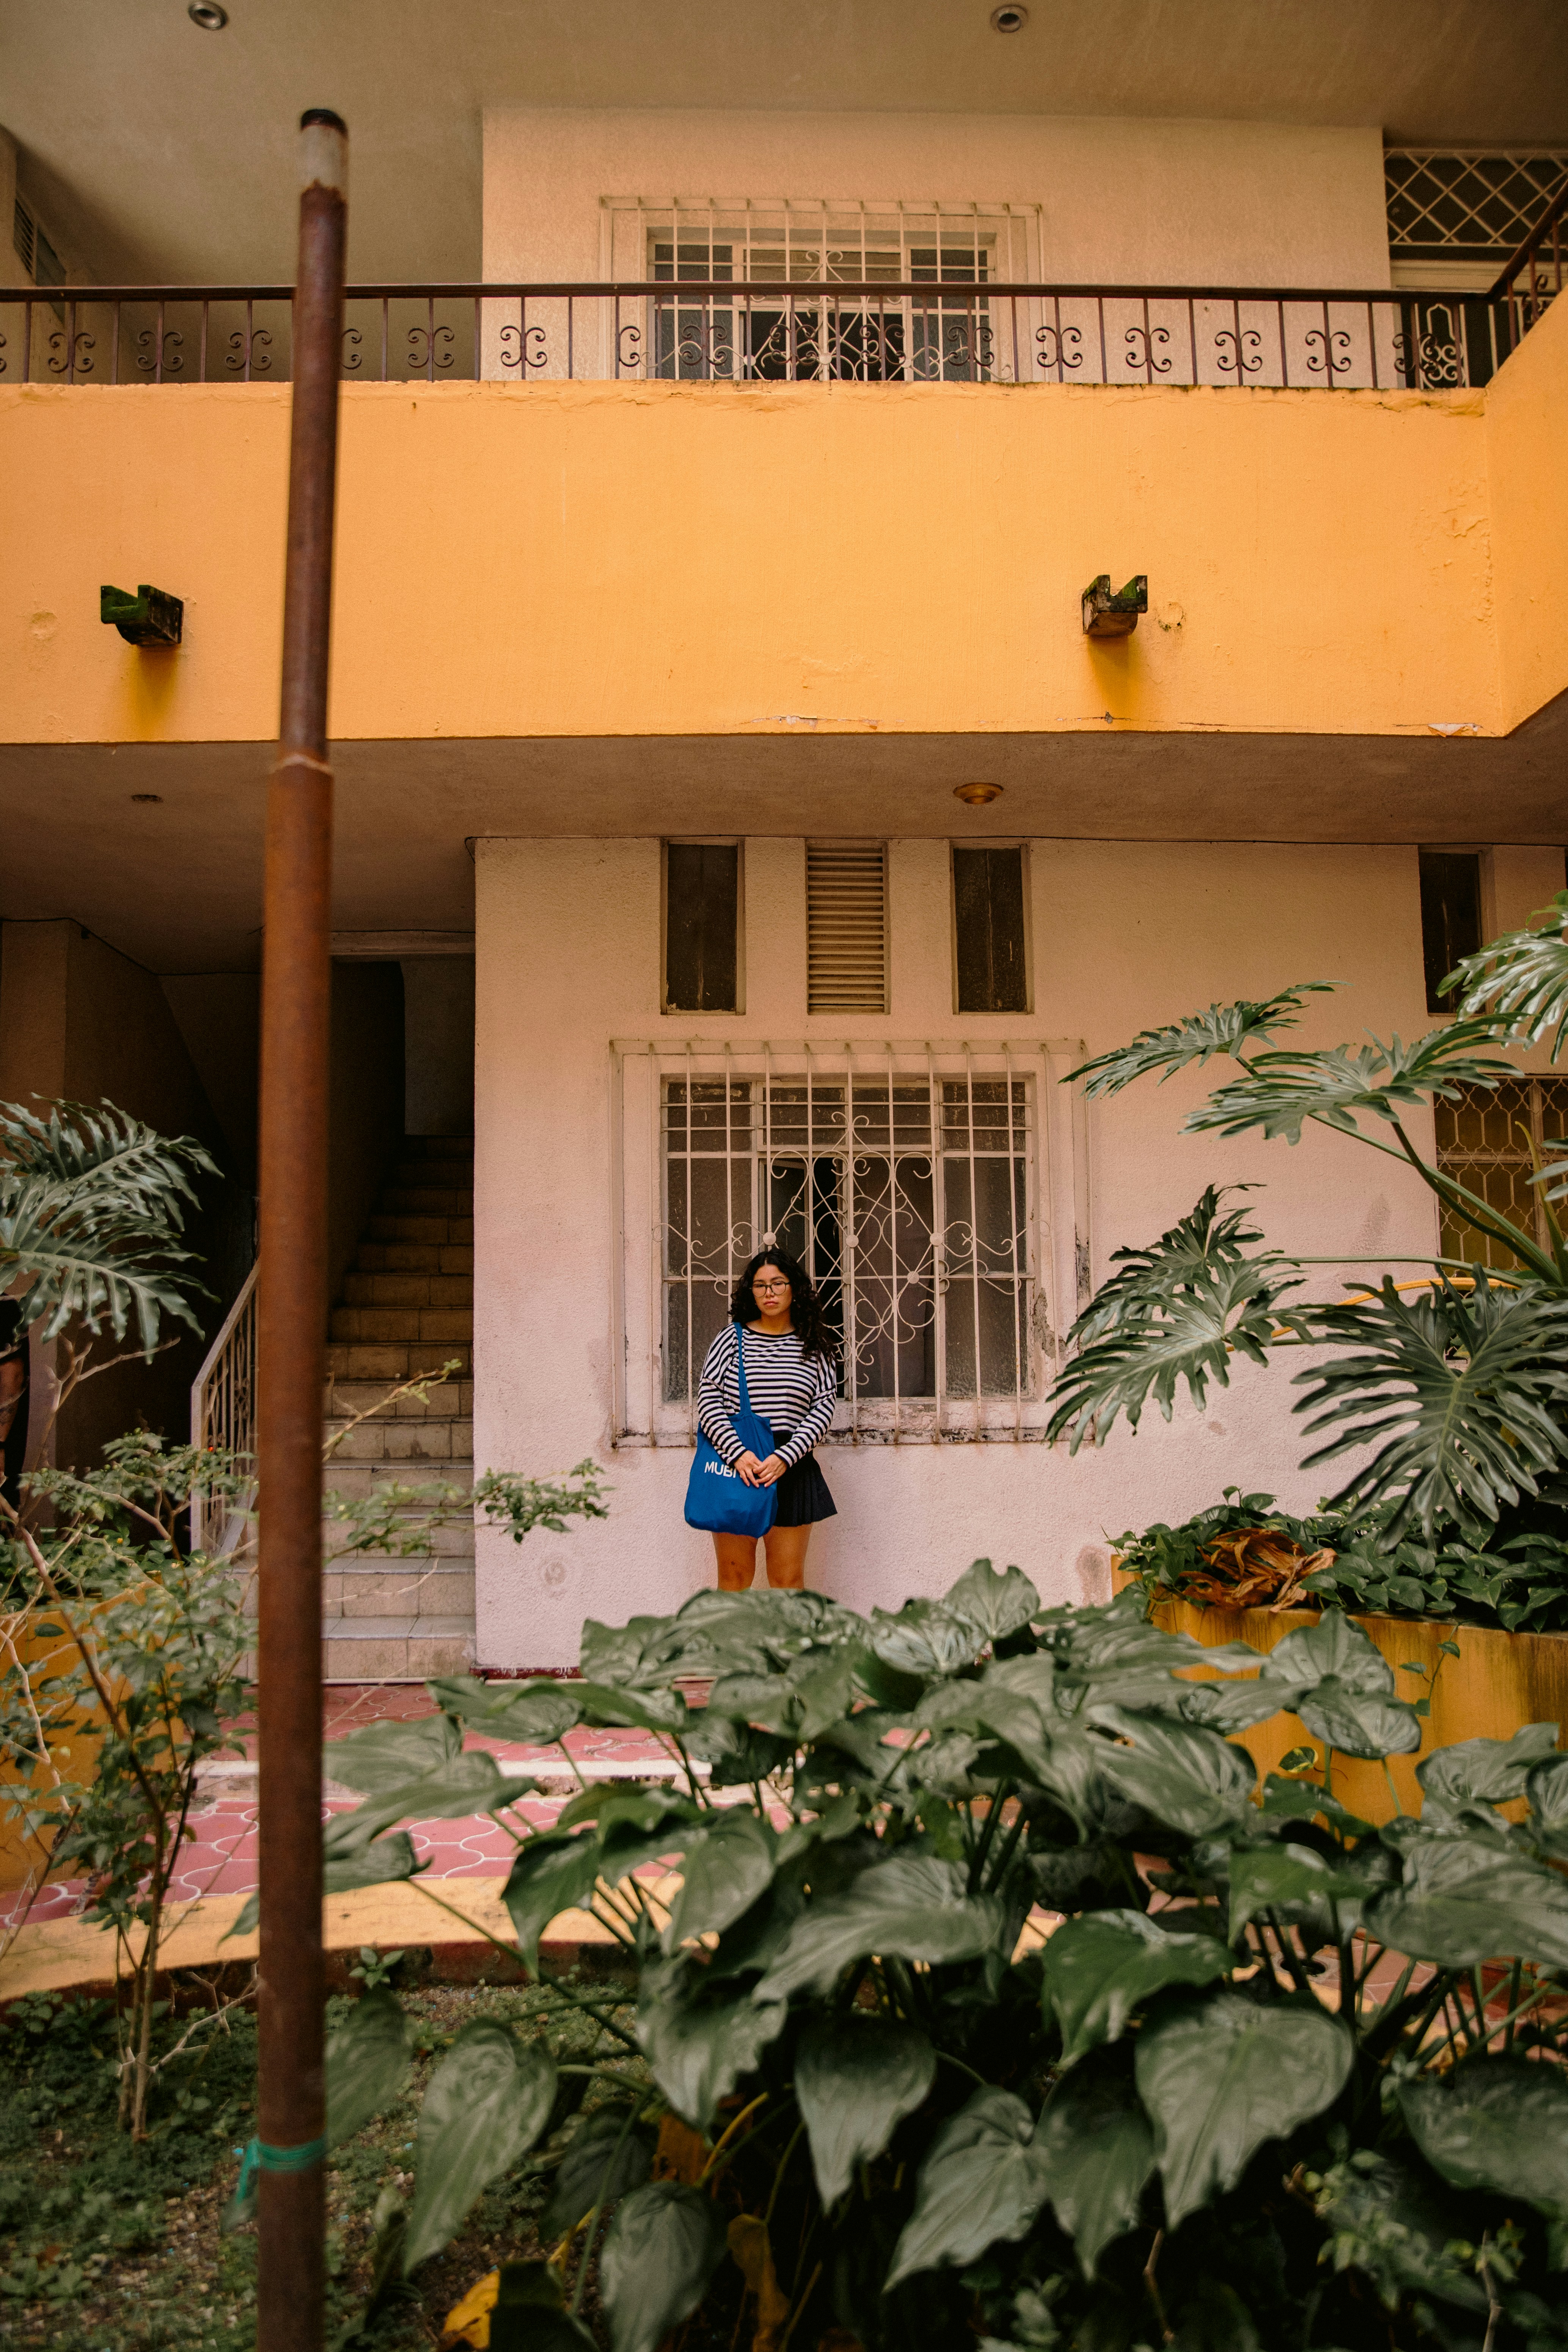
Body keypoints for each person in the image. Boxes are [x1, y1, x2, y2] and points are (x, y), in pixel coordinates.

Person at [695, 1246, 839, 1592]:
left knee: (788, 1582)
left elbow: (823, 1407)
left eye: (778, 1283)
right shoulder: (732, 1338)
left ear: (794, 1288)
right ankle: (732, 1648)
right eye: (760, 1285)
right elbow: (709, 1398)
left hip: (791, 1465)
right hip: (738, 1465)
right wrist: (738, 1454)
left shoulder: (814, 1343)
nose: (769, 1292)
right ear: (751, 1292)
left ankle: (787, 1650)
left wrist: (784, 1458)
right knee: (734, 1580)